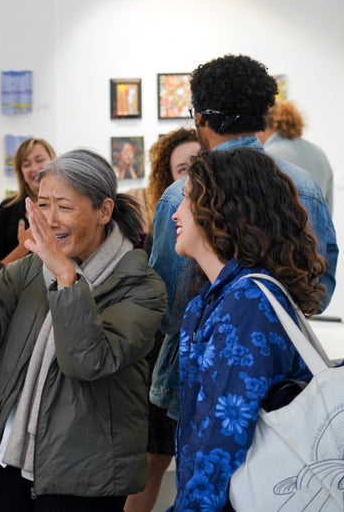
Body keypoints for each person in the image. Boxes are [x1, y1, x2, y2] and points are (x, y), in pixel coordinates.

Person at [0, 149, 166, 511]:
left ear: (104, 211)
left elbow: (88, 362)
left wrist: (68, 281)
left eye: (64, 207)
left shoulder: (141, 286)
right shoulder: (33, 269)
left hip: (84, 476)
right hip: (8, 462)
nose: (50, 220)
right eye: (43, 205)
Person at [148, 55, 338, 439]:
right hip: (285, 373)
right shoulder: (303, 187)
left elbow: (166, 309)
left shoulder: (181, 196)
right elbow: (319, 292)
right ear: (264, 114)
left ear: (200, 117)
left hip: (202, 376)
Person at [168, 148, 326, 511]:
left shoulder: (246, 303)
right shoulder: (213, 298)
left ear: (220, 208)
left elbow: (224, 439)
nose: (176, 214)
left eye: (187, 200)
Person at [125, 128, 200, 512]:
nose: (190, 175)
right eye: (182, 168)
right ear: (168, 175)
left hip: (198, 349)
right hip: (161, 353)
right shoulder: (162, 219)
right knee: (152, 459)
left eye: (197, 166)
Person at [0, 138, 56, 270]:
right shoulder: (6, 208)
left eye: (39, 160)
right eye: (26, 164)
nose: (34, 168)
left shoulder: (69, 205)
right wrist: (23, 248)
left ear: (53, 161)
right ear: (20, 172)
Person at [258, 100, 335, 213]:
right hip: (315, 228)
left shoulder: (267, 156)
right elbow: (327, 208)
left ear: (263, 126)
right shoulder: (319, 153)